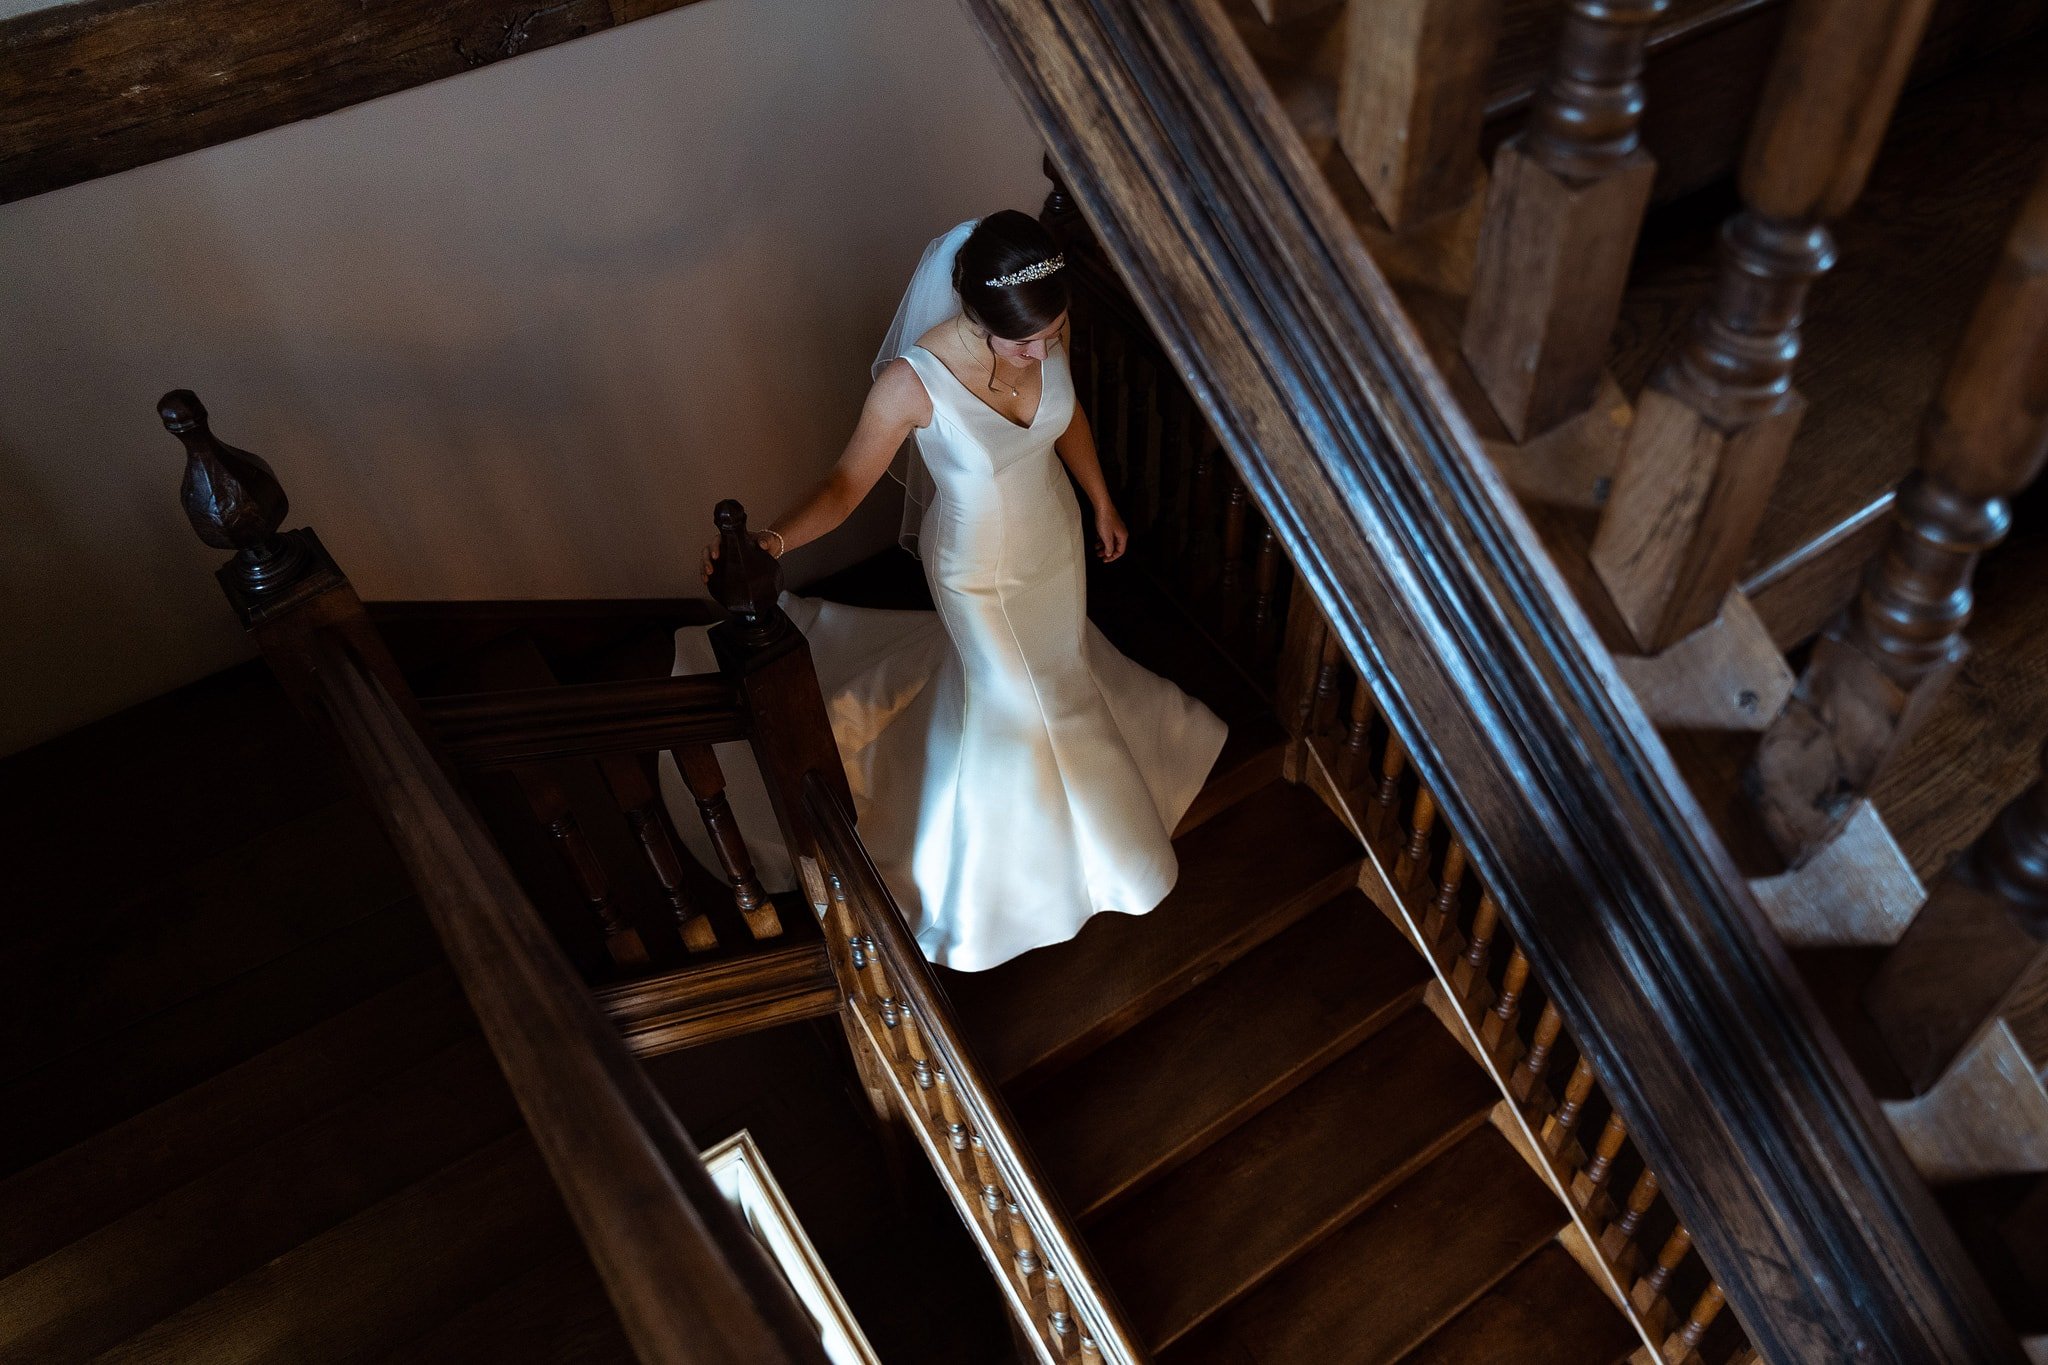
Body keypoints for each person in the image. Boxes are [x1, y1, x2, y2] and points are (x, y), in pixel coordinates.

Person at [677, 211, 1226, 972]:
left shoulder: (1043, 327)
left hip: (1052, 542)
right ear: (975, 314)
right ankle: (1014, 883)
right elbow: (843, 485)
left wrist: (1100, 498)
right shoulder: (913, 381)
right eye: (1023, 342)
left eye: (1053, 334)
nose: (1041, 352)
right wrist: (766, 542)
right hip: (978, 573)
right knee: (1017, 700)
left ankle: (1082, 843)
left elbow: (1066, 421)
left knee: (1061, 675)